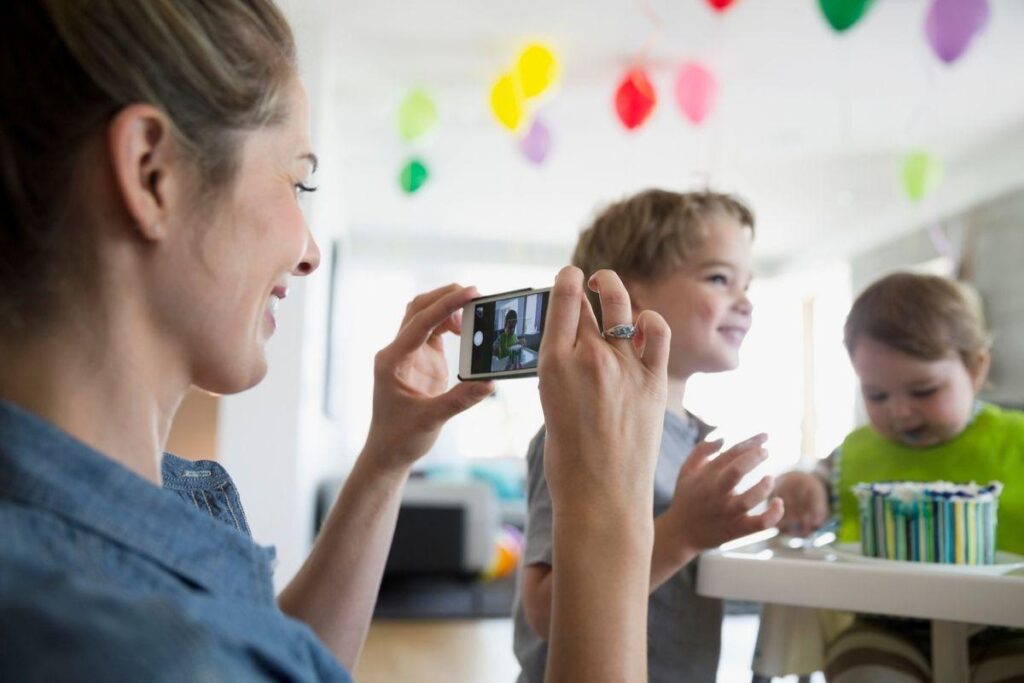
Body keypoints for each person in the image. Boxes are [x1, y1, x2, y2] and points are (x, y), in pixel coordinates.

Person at [0, 2, 669, 681]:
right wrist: (609, 514)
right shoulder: (117, 642)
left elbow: (280, 659)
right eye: (297, 180)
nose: (310, 253)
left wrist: (387, 455)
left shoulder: (144, 517)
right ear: (153, 173)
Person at [513, 189, 786, 683]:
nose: (745, 302)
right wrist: (683, 532)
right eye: (719, 279)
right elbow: (545, 612)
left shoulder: (691, 437)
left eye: (747, 284)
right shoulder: (585, 428)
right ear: (629, 293)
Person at [773, 272, 1024, 682]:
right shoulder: (855, 452)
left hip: (1008, 628)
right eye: (877, 395)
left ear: (976, 368)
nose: (900, 412)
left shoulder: (1016, 441)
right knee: (863, 669)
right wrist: (803, 487)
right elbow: (814, 483)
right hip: (886, 628)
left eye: (924, 391)